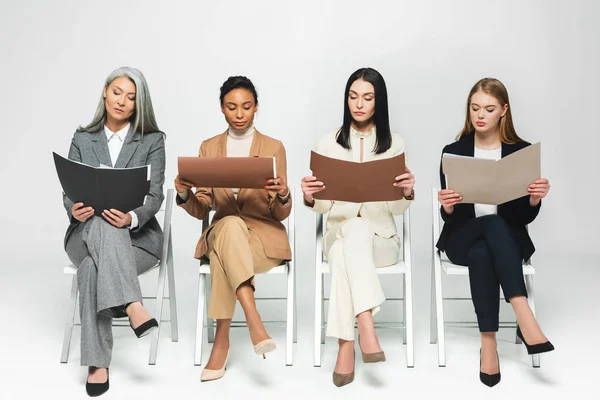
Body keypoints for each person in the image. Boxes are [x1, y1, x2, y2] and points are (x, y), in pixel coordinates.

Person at [436, 77, 554, 387]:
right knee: (487, 228)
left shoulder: (521, 152)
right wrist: (447, 206)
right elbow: (451, 219)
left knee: (484, 249)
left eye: (489, 109)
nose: (480, 115)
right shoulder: (454, 150)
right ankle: (522, 312)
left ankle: (488, 344)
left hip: (503, 244)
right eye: (475, 108)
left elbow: (522, 216)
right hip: (461, 237)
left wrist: (533, 198)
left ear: (504, 110)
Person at [301, 67, 415, 387]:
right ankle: (365, 326)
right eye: (353, 96)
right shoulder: (328, 142)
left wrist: (406, 192)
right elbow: (324, 207)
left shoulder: (394, 143)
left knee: (358, 232)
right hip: (339, 235)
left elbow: (395, 209)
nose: (359, 104)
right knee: (348, 236)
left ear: (379, 102)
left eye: (367, 97)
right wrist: (311, 198)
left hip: (381, 242)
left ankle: (346, 345)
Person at [175, 76, 292, 382]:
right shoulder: (209, 147)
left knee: (224, 254)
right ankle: (253, 319)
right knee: (228, 225)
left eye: (246, 106)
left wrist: (282, 193)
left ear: (256, 108)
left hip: (261, 239)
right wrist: (185, 194)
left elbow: (281, 212)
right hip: (223, 233)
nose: (239, 114)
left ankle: (222, 340)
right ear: (222, 109)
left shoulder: (273, 147)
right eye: (232, 107)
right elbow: (203, 206)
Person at [62, 67, 166, 397]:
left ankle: (97, 363)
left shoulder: (151, 141)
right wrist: (73, 209)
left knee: (92, 268)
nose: (122, 101)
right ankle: (133, 304)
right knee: (98, 220)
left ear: (139, 105)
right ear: (105, 92)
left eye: (132, 97)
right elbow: (69, 191)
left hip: (138, 239)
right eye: (117, 92)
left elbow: (155, 195)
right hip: (85, 234)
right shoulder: (82, 138)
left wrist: (132, 217)